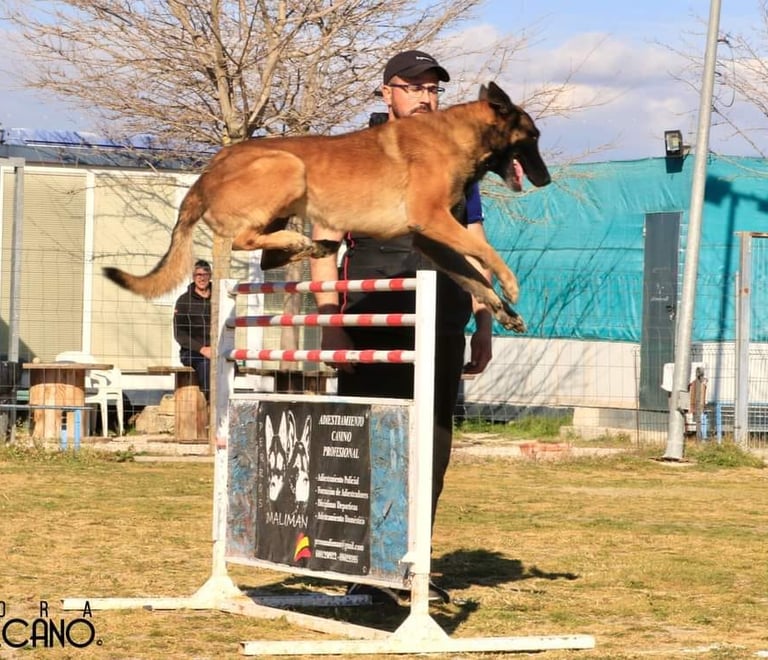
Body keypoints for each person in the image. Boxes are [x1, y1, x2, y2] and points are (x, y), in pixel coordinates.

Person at [311, 50, 507, 602]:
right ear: (386, 93)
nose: (425, 97)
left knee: (431, 445)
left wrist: (484, 323)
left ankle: (411, 563)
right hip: (372, 318)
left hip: (442, 317)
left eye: (433, 89)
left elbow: (475, 245)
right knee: (370, 442)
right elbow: (324, 245)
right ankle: (364, 562)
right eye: (413, 87)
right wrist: (330, 323)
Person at [173, 259, 212, 400]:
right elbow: (179, 334)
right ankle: (210, 401)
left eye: (205, 274)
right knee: (206, 365)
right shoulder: (184, 301)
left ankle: (226, 402)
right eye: (198, 275)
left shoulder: (219, 297)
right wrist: (202, 349)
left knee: (231, 366)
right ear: (193, 277)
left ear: (210, 276)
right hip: (191, 351)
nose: (202, 278)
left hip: (215, 349)